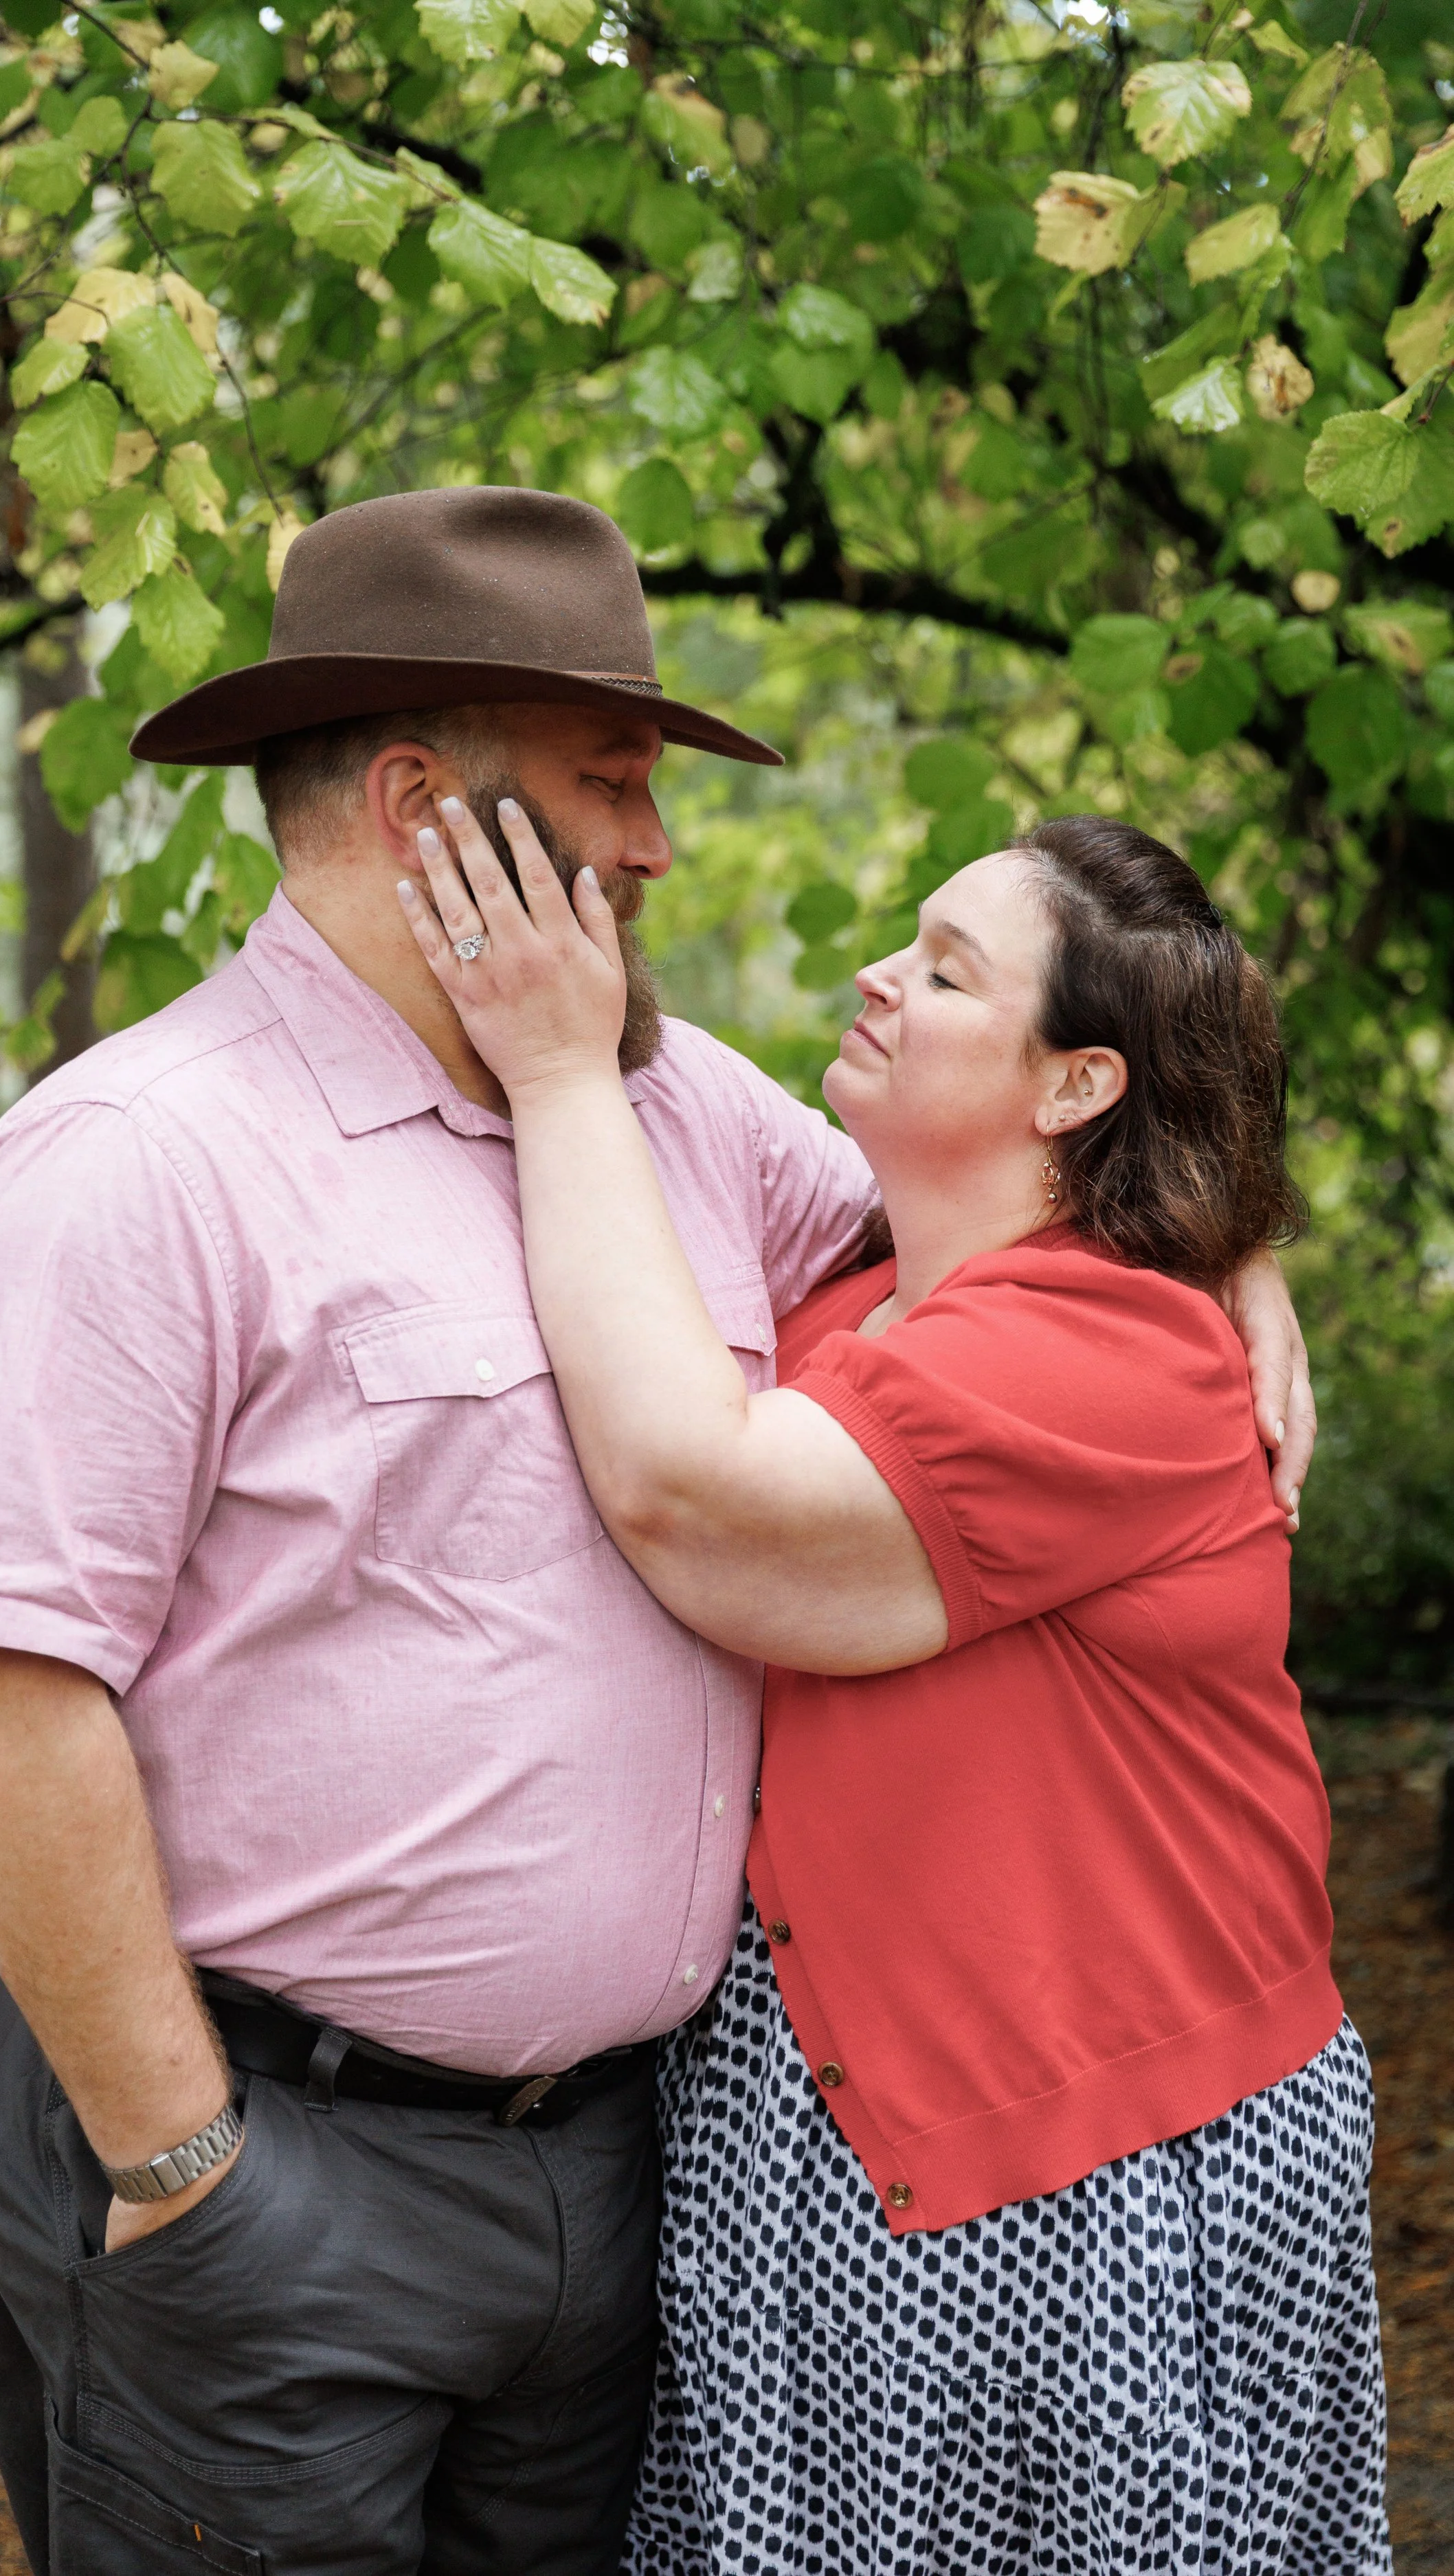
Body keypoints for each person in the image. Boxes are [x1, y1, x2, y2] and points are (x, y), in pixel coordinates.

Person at [0, 487, 1315, 2576]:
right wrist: (182, 2158)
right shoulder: (137, 1163)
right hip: (274, 2167)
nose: (651, 842)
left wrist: (1240, 1247)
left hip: (624, 2194)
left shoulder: (676, 1113)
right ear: (416, 805)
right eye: (611, 781)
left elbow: (1021, 1227)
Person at [399, 799, 1386, 2574]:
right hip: (836, 2130)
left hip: (1089, 2163)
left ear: (1076, 1085)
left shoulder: (1120, 1347)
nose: (876, 973)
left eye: (943, 970)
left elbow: (695, 1500)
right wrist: (1244, 1237)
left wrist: (557, 1076)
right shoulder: (866, 1294)